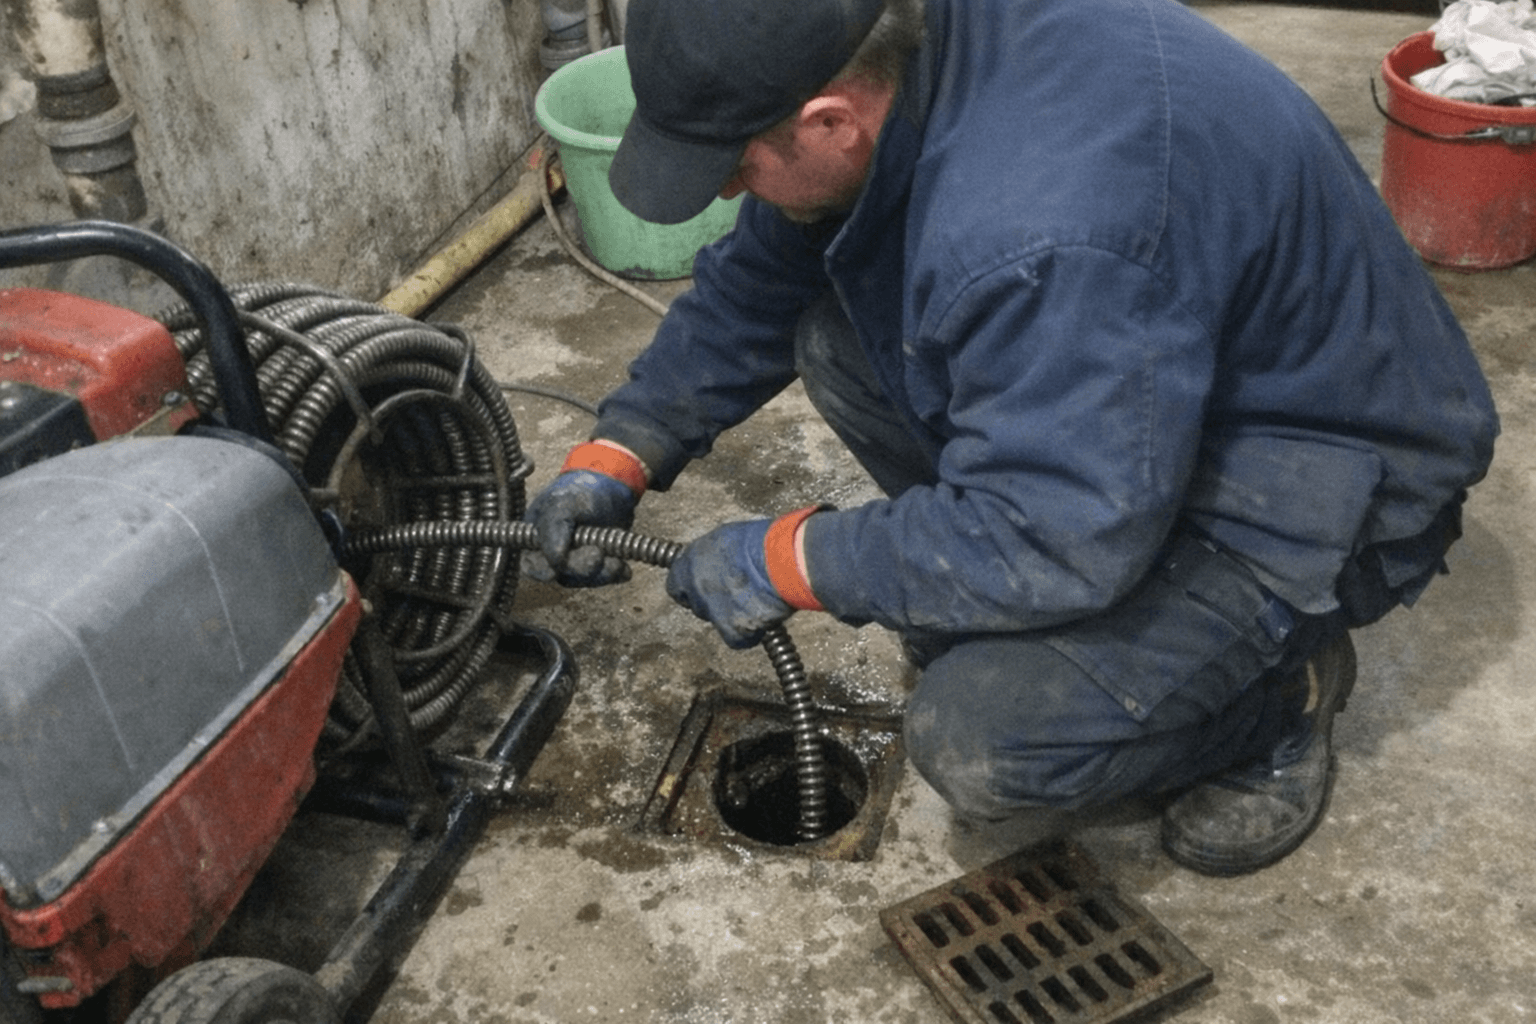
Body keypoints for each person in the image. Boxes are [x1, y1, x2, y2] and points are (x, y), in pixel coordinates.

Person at [523, 0, 1498, 876]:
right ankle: (1060, 607)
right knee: (838, 336)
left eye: (735, 165)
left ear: (830, 118)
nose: (731, 190)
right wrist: (620, 451)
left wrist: (795, 556)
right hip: (1153, 384)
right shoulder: (904, 48)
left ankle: (1279, 699)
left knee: (982, 739)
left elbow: (1056, 533)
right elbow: (762, 279)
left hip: (1318, 469)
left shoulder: (1043, 221)